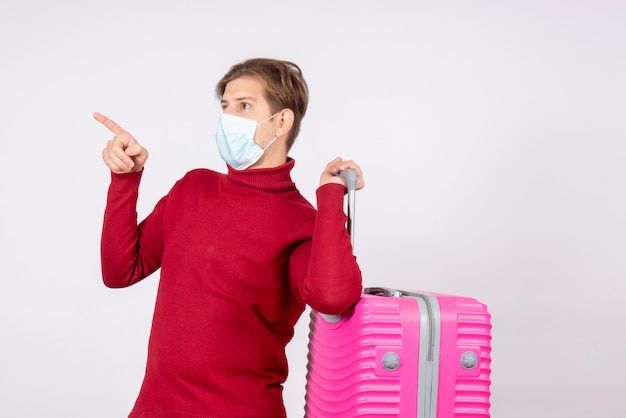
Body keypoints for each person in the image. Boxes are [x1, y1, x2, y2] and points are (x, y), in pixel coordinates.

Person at [94, 58, 364, 418]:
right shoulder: (194, 188)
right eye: (225, 107)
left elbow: (334, 298)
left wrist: (330, 199)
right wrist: (125, 178)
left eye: (244, 106)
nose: (229, 118)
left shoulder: (301, 221)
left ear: (282, 121)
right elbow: (119, 271)